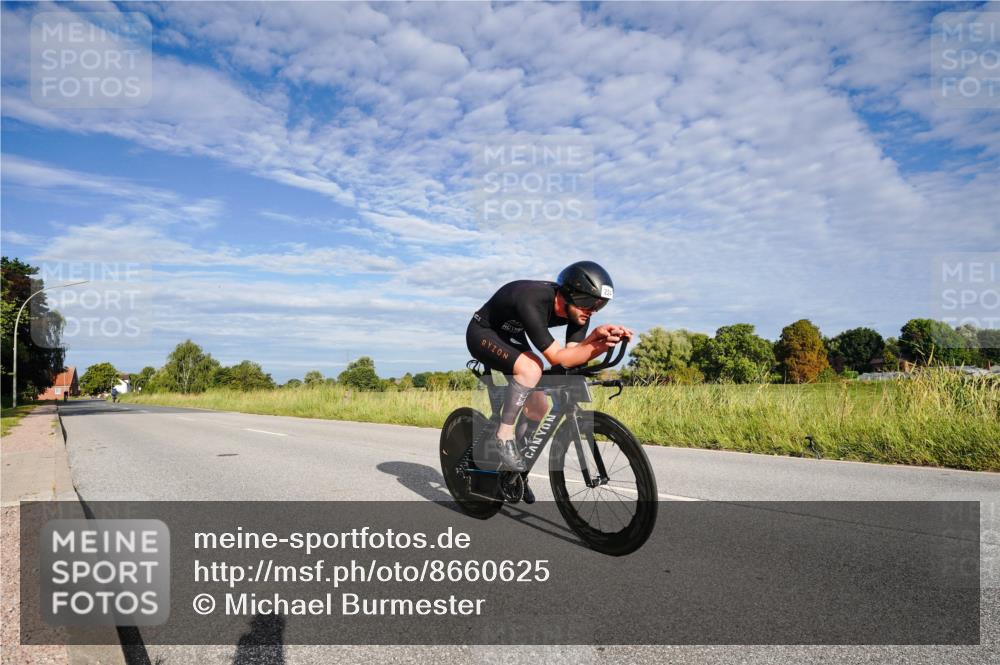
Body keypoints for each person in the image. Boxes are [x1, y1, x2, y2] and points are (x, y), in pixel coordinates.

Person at [466, 261, 633, 503]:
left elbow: (571, 357)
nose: (592, 310)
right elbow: (556, 357)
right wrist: (597, 345)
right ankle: (503, 435)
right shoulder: (532, 298)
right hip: (483, 333)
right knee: (532, 366)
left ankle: (513, 473)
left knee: (539, 406)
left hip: (512, 336)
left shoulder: (581, 313)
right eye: (588, 302)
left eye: (600, 304)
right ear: (567, 294)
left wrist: (597, 338)